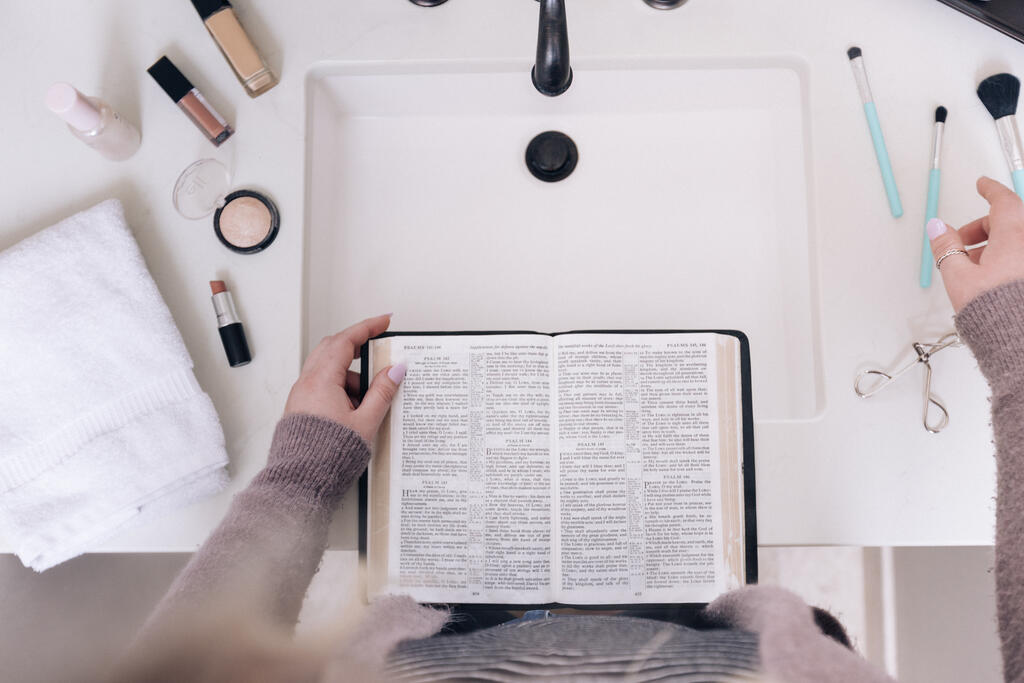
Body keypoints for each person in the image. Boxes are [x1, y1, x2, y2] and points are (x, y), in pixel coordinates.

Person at [115, 177, 1024, 682]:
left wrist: (302, 477)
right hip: (718, 628)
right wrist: (1015, 348)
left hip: (445, 620)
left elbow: (192, 667)